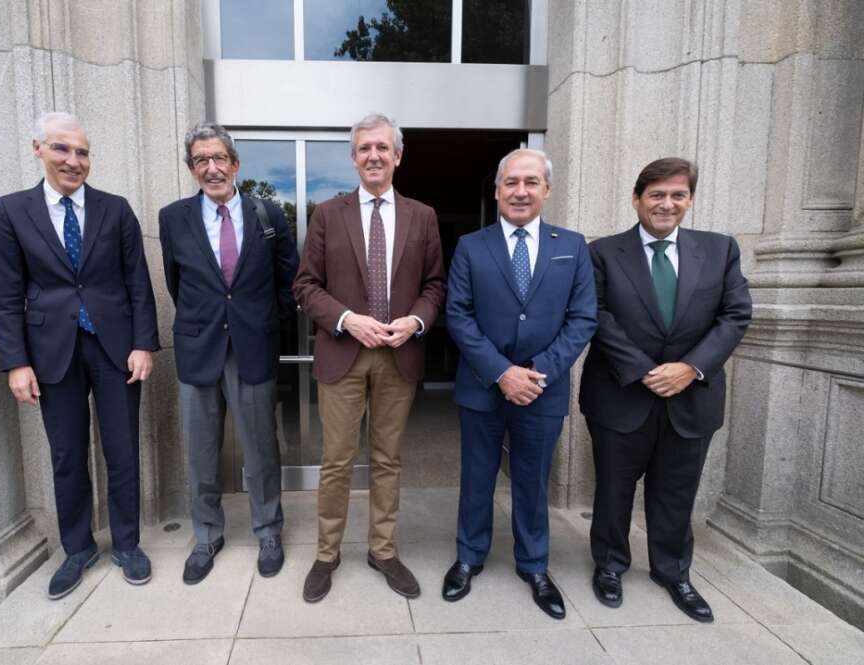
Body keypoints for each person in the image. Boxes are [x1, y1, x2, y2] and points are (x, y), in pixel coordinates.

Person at [0, 112, 159, 599]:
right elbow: (6, 293)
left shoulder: (116, 209)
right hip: (51, 353)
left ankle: (127, 544)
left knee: (122, 451)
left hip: (115, 350)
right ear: (37, 149)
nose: (74, 160)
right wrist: (16, 362)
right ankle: (78, 548)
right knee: (66, 455)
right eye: (63, 149)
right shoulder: (13, 211)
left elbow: (138, 284)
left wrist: (143, 343)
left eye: (82, 152)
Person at [580, 157, 752, 623]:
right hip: (621, 393)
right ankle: (611, 566)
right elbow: (595, 314)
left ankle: (673, 571)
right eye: (656, 194)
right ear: (637, 199)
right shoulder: (602, 252)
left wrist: (690, 368)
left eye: (678, 195)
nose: (667, 204)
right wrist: (644, 370)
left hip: (692, 396)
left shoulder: (720, 250)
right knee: (613, 490)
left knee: (677, 490)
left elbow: (735, 315)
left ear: (690, 200)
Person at [294, 113, 445, 602]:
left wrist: (416, 321)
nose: (374, 156)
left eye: (383, 148)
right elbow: (305, 286)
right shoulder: (327, 214)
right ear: (353, 158)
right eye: (364, 149)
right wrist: (346, 319)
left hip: (398, 356)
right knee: (336, 461)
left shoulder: (423, 215)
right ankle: (327, 553)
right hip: (343, 354)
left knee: (387, 460)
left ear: (397, 156)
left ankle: (382, 550)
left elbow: (435, 285)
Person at [442, 149, 596, 620]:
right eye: (511, 182)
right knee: (477, 479)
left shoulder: (572, 244)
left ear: (547, 190)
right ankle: (469, 557)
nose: (521, 191)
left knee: (533, 482)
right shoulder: (472, 245)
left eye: (531, 182)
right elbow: (458, 315)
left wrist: (536, 372)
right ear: (497, 190)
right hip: (483, 386)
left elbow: (582, 317)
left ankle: (534, 566)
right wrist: (502, 372)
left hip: (542, 390)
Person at [158, 123, 298, 585]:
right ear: (192, 169)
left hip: (253, 346)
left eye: (219, 158)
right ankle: (207, 534)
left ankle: (268, 530)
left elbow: (286, 282)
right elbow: (178, 284)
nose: (212, 168)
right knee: (200, 451)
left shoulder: (269, 215)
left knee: (260, 448)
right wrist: (207, 322)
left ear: (235, 165)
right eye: (201, 160)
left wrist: (260, 324)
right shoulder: (173, 217)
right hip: (199, 347)